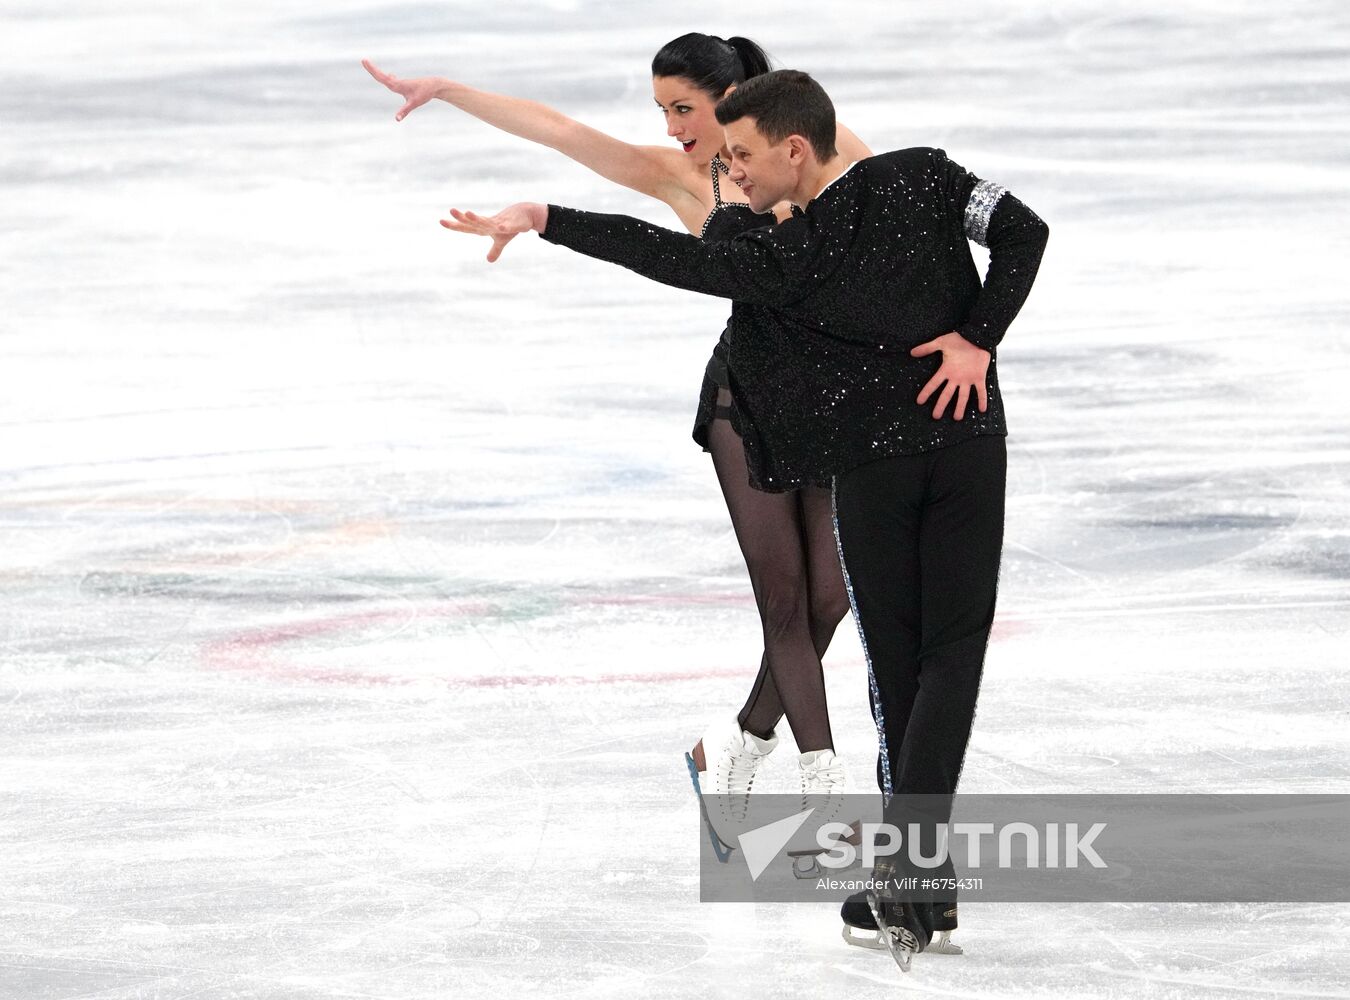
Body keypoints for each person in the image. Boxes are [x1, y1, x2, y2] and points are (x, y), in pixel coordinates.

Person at [439, 68, 1049, 971]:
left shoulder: (791, 254)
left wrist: (547, 220)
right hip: (967, 440)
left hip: (882, 469)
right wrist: (979, 336)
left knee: (904, 660)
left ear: (796, 149)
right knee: (946, 653)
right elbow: (1023, 232)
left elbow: (673, 256)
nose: (732, 178)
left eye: (743, 160)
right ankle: (924, 876)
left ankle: (915, 873)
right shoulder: (927, 174)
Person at [362, 39, 874, 857]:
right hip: (747, 401)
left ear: (739, 100)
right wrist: (452, 89)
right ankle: (824, 792)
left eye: (683, 108)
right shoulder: (683, 177)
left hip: (840, 401)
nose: (672, 129)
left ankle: (731, 746)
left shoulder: (827, 151)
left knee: (829, 602)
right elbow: (560, 132)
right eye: (662, 111)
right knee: (785, 601)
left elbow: (900, 239)